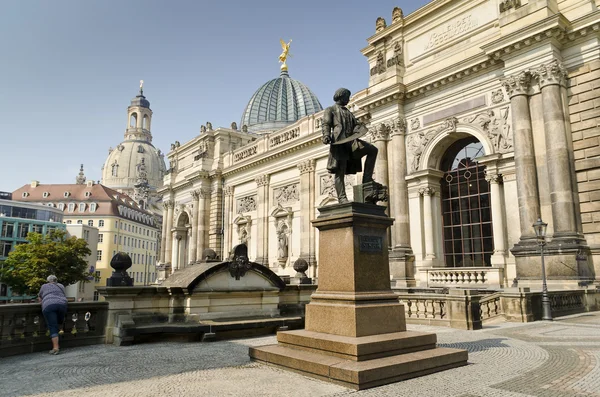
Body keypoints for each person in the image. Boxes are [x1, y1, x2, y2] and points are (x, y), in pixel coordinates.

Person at [321, 88, 379, 203]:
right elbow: (326, 124)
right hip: (339, 143)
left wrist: (359, 128)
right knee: (340, 171)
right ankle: (342, 198)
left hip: (351, 142)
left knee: (372, 150)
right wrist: (326, 135)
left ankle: (367, 180)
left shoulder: (348, 112)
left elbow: (355, 125)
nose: (348, 99)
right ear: (341, 96)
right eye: (347, 97)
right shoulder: (331, 110)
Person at [38, 275, 68, 355]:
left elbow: (40, 297)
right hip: (62, 304)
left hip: (49, 305)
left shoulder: (44, 286)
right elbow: (64, 295)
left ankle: (55, 348)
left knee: (52, 326)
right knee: (59, 322)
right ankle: (59, 329)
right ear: (56, 280)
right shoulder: (61, 286)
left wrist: (42, 303)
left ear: (48, 280)